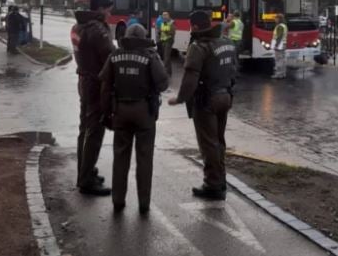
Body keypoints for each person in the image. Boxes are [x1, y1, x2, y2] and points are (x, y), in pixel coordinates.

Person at [100, 24, 169, 213]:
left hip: (120, 111)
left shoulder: (115, 55)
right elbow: (163, 84)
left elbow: (105, 87)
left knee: (120, 157)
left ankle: (118, 200)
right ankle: (144, 203)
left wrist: (106, 114)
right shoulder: (150, 56)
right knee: (145, 158)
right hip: (144, 112)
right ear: (144, 37)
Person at [168, 11, 237, 200]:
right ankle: (220, 180)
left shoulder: (198, 47)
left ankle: (213, 185)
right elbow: (234, 70)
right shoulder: (226, 43)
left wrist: (180, 98)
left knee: (208, 144)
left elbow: (191, 78)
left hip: (206, 101)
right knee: (219, 141)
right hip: (225, 97)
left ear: (195, 26)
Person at [71, 0, 116, 196]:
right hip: (96, 84)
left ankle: (85, 170)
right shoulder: (97, 29)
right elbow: (111, 58)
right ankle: (86, 179)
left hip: (83, 80)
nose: (109, 13)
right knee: (95, 131)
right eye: (107, 9)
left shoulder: (78, 26)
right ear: (99, 9)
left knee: (85, 128)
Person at [271, 14, 288, 79]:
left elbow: (279, 36)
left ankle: (278, 74)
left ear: (279, 19)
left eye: (276, 18)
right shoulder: (284, 26)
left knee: (278, 60)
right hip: (283, 44)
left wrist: (276, 45)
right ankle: (283, 73)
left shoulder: (280, 26)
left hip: (279, 45)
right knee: (283, 59)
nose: (275, 19)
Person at [159, 11, 176, 76]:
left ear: (169, 16)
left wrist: (166, 32)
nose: (164, 16)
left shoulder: (171, 23)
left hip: (169, 41)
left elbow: (173, 33)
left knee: (166, 57)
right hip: (164, 41)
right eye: (163, 15)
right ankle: (169, 71)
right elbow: (161, 31)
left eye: (166, 15)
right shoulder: (163, 22)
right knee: (167, 57)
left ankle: (164, 73)